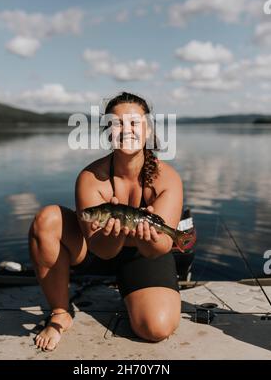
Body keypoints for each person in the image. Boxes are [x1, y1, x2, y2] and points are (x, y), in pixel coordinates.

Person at [28, 91, 183, 351]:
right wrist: (116, 233)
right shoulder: (91, 177)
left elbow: (160, 248)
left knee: (156, 329)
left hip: (144, 255)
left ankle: (138, 294)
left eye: (134, 123)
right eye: (117, 123)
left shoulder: (167, 178)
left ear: (147, 130)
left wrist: (148, 238)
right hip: (98, 249)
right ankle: (60, 312)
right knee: (47, 219)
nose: (126, 130)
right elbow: (102, 248)